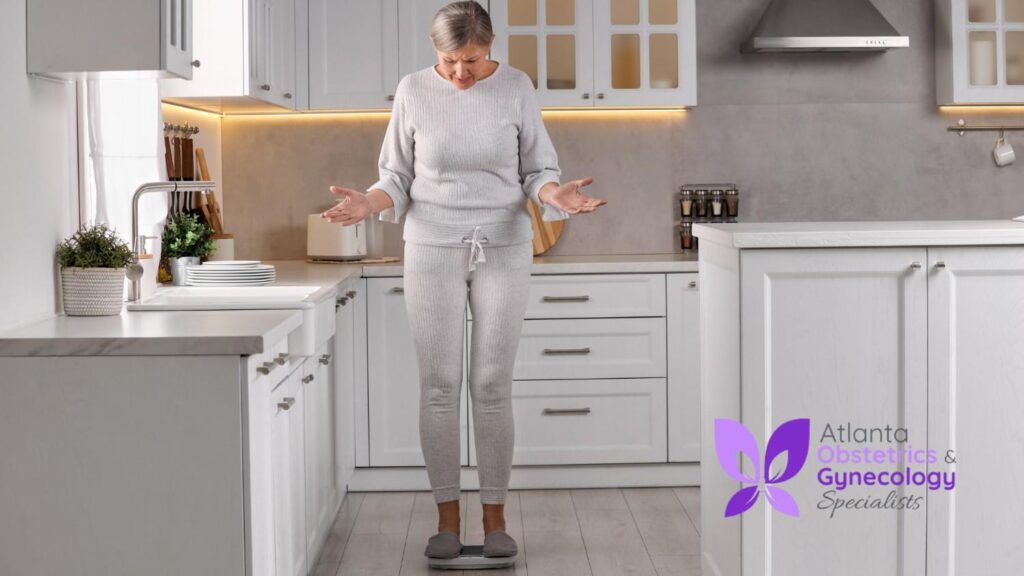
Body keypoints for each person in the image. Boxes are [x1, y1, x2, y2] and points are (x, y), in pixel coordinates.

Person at [320, 0, 607, 560]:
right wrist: (368, 201)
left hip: (503, 246)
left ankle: (496, 517)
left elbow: (537, 171)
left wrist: (556, 195)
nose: (461, 74)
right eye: (451, 60)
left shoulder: (517, 87)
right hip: (429, 247)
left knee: (493, 383)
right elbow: (396, 176)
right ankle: (446, 519)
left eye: (473, 60)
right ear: (436, 52)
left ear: (491, 48)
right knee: (439, 385)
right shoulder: (412, 90)